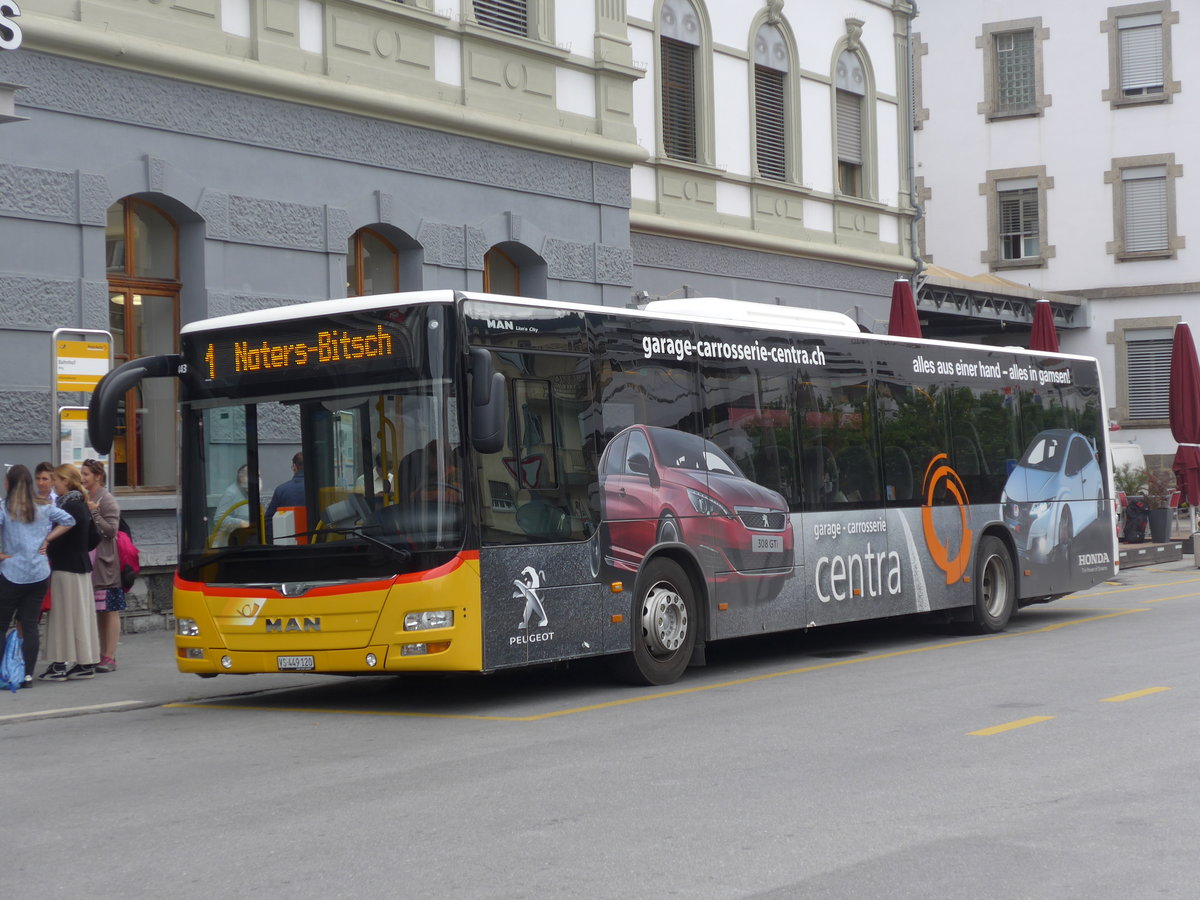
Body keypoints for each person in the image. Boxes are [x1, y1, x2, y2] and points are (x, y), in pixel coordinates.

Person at [0, 466, 75, 688]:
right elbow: (69, 520)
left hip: (11, 572)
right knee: (30, 625)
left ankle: (4, 673)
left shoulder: (5, 507)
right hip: (39, 573)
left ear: (9, 484)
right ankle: (27, 676)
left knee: (1, 625)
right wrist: (48, 540)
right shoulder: (44, 506)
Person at [41, 464, 100, 681]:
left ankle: (59, 664)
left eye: (56, 479)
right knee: (81, 617)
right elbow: (94, 537)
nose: (53, 484)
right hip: (80, 566)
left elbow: (58, 537)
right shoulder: (81, 503)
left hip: (65, 567)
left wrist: (47, 546)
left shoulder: (68, 506)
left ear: (66, 481)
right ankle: (85, 662)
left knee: (63, 617)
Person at [81, 458, 124, 673]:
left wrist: (94, 512)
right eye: (82, 474)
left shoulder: (107, 500)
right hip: (91, 562)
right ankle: (102, 653)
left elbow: (111, 531)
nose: (83, 478)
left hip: (106, 563)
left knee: (110, 609)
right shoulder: (86, 497)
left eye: (86, 474)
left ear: (98, 476)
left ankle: (110, 655)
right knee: (99, 610)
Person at [265, 452, 304, 542]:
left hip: (288, 545)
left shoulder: (281, 490)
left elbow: (269, 521)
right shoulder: (322, 489)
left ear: (294, 467)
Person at [211, 464, 251, 547]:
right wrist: (241, 523)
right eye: (251, 475)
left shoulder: (249, 492)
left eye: (258, 475)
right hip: (232, 546)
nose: (257, 479)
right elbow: (219, 520)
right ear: (241, 478)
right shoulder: (231, 493)